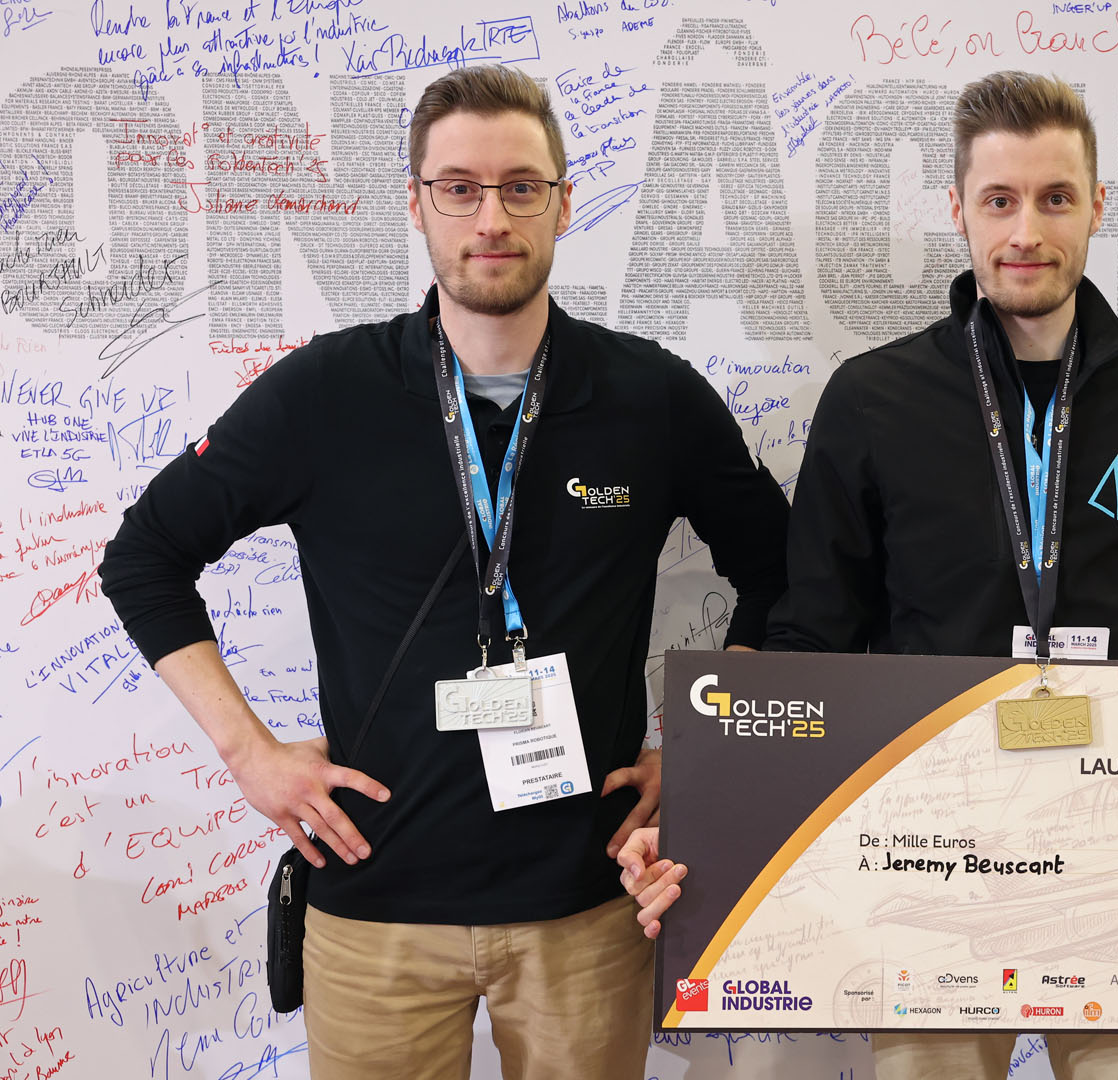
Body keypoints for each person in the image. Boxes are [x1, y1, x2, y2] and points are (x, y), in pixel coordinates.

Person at [616, 71, 1118, 1080]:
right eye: (999, 200)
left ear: (1096, 206)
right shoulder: (874, 400)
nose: (1026, 231)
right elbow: (810, 648)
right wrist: (706, 811)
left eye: (1055, 199)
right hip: (926, 855)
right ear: (958, 210)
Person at [99, 64, 789, 1080]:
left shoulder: (652, 397)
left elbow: (784, 571)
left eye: (521, 187)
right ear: (418, 204)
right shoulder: (325, 393)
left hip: (586, 912)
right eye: (459, 188)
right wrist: (250, 755)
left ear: (563, 202)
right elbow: (144, 558)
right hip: (373, 911)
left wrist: (703, 751)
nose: (492, 217)